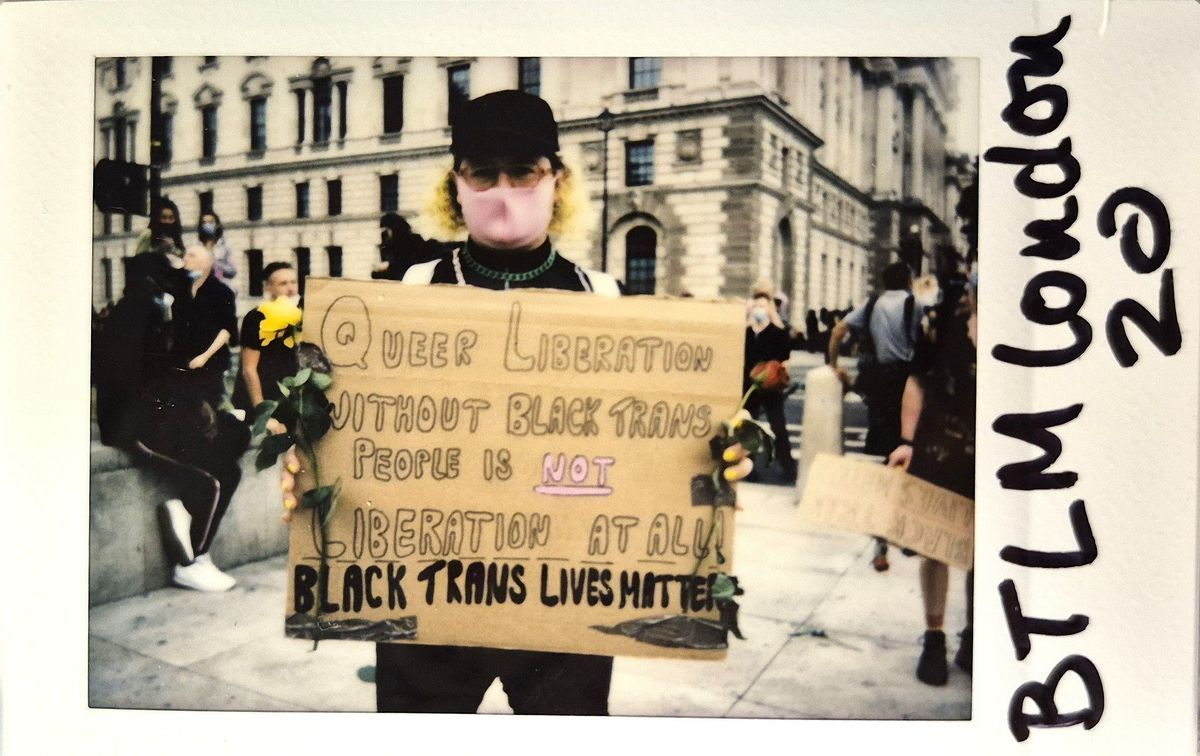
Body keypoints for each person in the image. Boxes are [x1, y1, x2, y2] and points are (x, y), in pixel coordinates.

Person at [281, 90, 746, 715]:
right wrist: (311, 464)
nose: (504, 188)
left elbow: (646, 446)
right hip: (429, 601)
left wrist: (710, 460)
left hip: (565, 605)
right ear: (457, 183)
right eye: (483, 171)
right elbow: (361, 434)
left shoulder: (603, 297)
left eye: (523, 169)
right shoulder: (409, 293)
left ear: (556, 178)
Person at [827, 261, 921, 571]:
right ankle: (904, 528)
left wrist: (833, 364)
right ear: (907, 279)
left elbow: (839, 330)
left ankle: (881, 540)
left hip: (878, 383)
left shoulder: (872, 303)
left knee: (885, 455)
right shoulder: (914, 303)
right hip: (908, 381)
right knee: (910, 452)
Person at [232, 262, 300, 431]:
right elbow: (249, 369)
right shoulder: (256, 318)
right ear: (269, 287)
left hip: (288, 398)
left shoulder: (299, 316)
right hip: (262, 399)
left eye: (293, 282)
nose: (290, 288)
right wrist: (263, 415)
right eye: (283, 284)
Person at [744, 288, 798, 482]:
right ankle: (749, 468)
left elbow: (785, 354)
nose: (759, 308)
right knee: (748, 427)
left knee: (778, 426)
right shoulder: (747, 332)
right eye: (756, 305)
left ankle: (788, 466)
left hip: (770, 386)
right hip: (749, 386)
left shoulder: (776, 332)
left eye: (763, 305)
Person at [371, 212, 450, 281]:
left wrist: (389, 266)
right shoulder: (386, 248)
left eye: (386, 231)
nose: (383, 235)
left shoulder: (411, 242)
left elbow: (408, 265)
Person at [195, 211, 238, 281]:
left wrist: (214, 264)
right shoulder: (197, 247)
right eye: (204, 222)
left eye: (210, 222)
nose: (207, 225)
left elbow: (232, 271)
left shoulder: (224, 247)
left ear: (217, 225)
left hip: (221, 285)